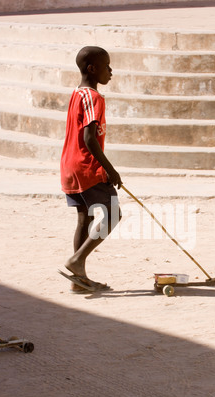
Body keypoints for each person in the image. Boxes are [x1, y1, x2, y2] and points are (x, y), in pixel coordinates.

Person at [60, 46, 122, 293]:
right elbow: (89, 139)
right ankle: (76, 261)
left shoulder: (77, 93)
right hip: (85, 167)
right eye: (107, 66)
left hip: (69, 166)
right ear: (92, 69)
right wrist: (110, 169)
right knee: (114, 213)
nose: (111, 71)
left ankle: (79, 281)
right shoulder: (93, 98)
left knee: (84, 217)